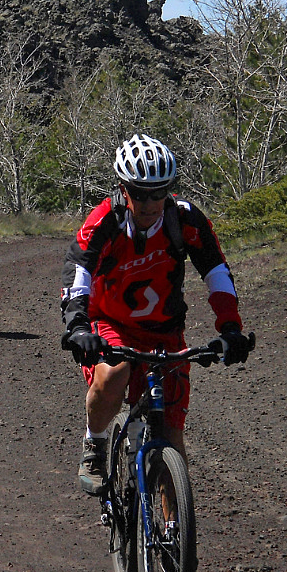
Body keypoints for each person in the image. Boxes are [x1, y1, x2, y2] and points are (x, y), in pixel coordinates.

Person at [60, 133, 251, 495]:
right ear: (123, 188)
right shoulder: (105, 221)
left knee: (172, 438)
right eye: (140, 192)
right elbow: (78, 272)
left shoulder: (185, 220)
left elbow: (216, 272)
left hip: (165, 332)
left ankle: (171, 536)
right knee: (114, 373)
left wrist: (230, 328)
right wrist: (78, 325)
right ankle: (95, 445)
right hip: (110, 323)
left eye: (158, 192)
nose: (150, 202)